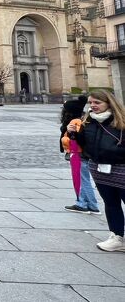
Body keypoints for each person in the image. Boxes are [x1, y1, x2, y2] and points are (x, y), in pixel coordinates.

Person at [68, 90, 125, 252]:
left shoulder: (121, 120)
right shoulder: (88, 120)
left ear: (109, 103)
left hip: (121, 167)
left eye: (97, 103)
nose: (93, 106)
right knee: (111, 203)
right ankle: (117, 236)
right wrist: (73, 133)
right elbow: (84, 143)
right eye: (91, 103)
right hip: (99, 168)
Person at [60, 96, 100, 214]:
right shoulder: (81, 119)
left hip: (78, 154)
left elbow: (73, 140)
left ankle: (91, 205)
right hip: (80, 154)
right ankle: (83, 203)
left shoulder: (75, 122)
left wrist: (67, 132)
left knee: (83, 180)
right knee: (82, 179)